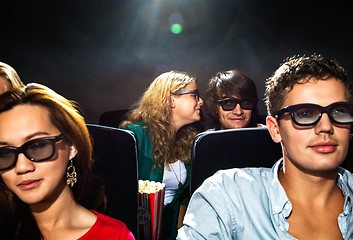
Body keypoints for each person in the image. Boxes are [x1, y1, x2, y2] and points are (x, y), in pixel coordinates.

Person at [177, 55, 353, 239]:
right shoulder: (226, 195)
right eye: (304, 114)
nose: (326, 126)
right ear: (275, 129)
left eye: (339, 112)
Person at [0, 83, 135, 240]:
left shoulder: (113, 236)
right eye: (4, 153)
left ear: (72, 146)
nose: (22, 167)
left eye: (38, 146)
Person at [120, 71, 203, 239]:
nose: (201, 101)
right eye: (195, 95)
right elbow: (119, 194)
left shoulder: (189, 142)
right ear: (172, 100)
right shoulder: (136, 136)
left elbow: (183, 201)